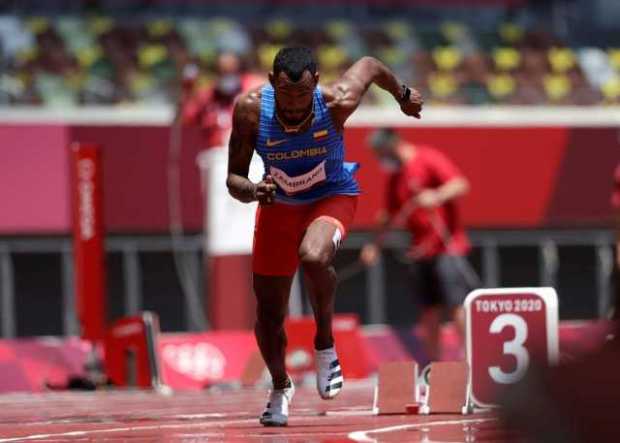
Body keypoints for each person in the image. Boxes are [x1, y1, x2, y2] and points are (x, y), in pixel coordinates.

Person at [226, 47, 423, 426]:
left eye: (302, 96)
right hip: (277, 205)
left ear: (316, 84)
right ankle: (281, 386)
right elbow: (234, 179)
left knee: (314, 256)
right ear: (271, 84)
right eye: (286, 96)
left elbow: (369, 66)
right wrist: (253, 191)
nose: (295, 106)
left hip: (331, 196)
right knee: (269, 312)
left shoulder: (336, 100)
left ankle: (325, 343)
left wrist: (402, 95)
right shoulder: (250, 109)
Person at [360, 128, 474, 363]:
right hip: (420, 252)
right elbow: (389, 215)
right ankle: (433, 366)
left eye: (381, 153)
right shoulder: (396, 178)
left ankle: (472, 360)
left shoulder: (428, 159)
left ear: (394, 145)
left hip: (446, 248)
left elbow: (460, 184)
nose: (380, 159)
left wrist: (436, 195)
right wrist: (374, 245)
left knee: (456, 306)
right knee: (428, 311)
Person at [180, 51, 263, 148]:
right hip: (216, 153)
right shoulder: (207, 96)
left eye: (231, 72)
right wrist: (188, 91)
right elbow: (187, 120)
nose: (227, 76)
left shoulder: (256, 89)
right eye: (222, 72)